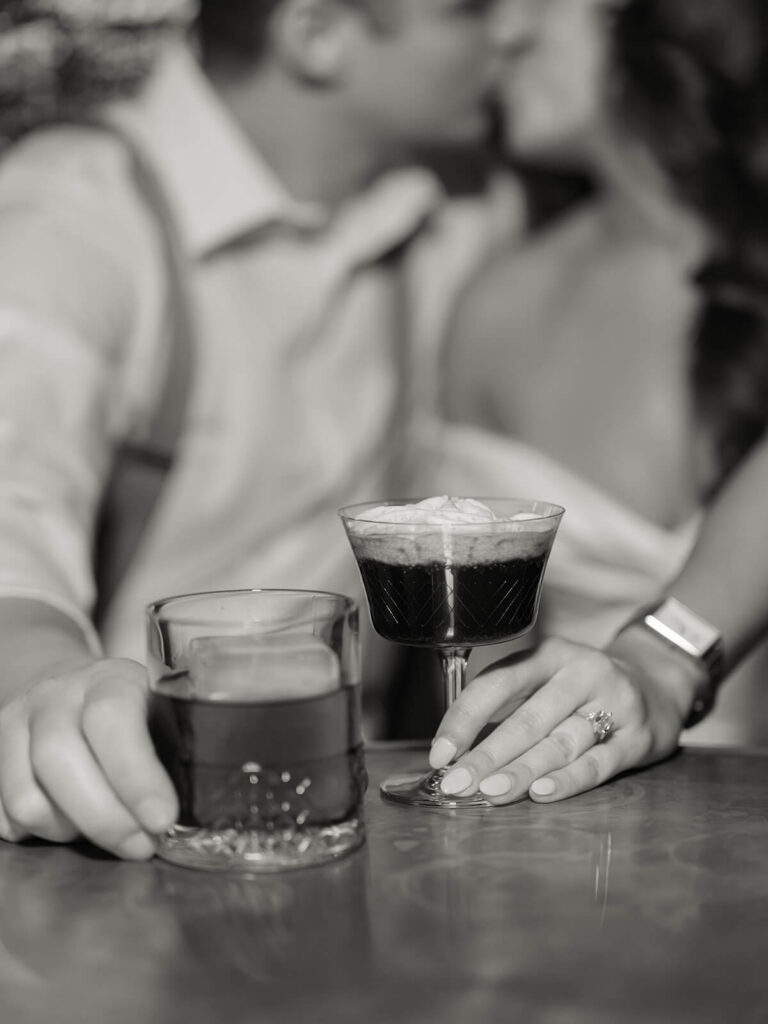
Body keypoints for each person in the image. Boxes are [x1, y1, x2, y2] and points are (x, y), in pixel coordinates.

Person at [0, 0, 523, 859]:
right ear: (317, 34)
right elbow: (13, 512)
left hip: (354, 813)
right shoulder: (70, 218)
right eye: (469, 8)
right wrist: (48, 684)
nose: (513, 30)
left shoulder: (453, 216)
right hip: (136, 812)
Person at [428, 0, 768, 801]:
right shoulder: (499, 302)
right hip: (584, 812)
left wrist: (665, 655)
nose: (503, 32)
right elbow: (478, 662)